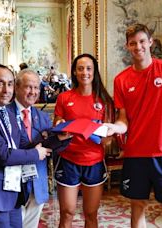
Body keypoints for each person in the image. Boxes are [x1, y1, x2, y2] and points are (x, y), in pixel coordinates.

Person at [104, 24, 162, 227]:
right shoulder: (121, 80)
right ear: (127, 46)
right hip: (136, 155)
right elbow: (123, 119)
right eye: (133, 43)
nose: (138, 47)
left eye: (142, 41)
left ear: (150, 42)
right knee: (137, 207)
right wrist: (115, 128)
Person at [0, 63, 52, 228]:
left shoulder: (7, 112)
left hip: (14, 188)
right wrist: (36, 154)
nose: (6, 90)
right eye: (0, 84)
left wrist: (56, 138)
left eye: (10, 84)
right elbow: (3, 154)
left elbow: (23, 145)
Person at [53, 53, 114, 227]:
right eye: (80, 68)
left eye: (88, 68)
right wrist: (60, 125)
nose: (84, 72)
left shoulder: (104, 100)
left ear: (94, 72)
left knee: (91, 214)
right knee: (67, 213)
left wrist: (104, 137)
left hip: (94, 161)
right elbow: (57, 123)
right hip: (68, 160)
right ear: (74, 72)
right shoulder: (64, 98)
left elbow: (108, 139)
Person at [7, 69, 70, 227]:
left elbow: (50, 148)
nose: (33, 92)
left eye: (36, 88)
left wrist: (61, 138)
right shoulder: (4, 114)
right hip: (13, 186)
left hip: (37, 183)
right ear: (17, 87)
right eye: (29, 87)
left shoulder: (42, 117)